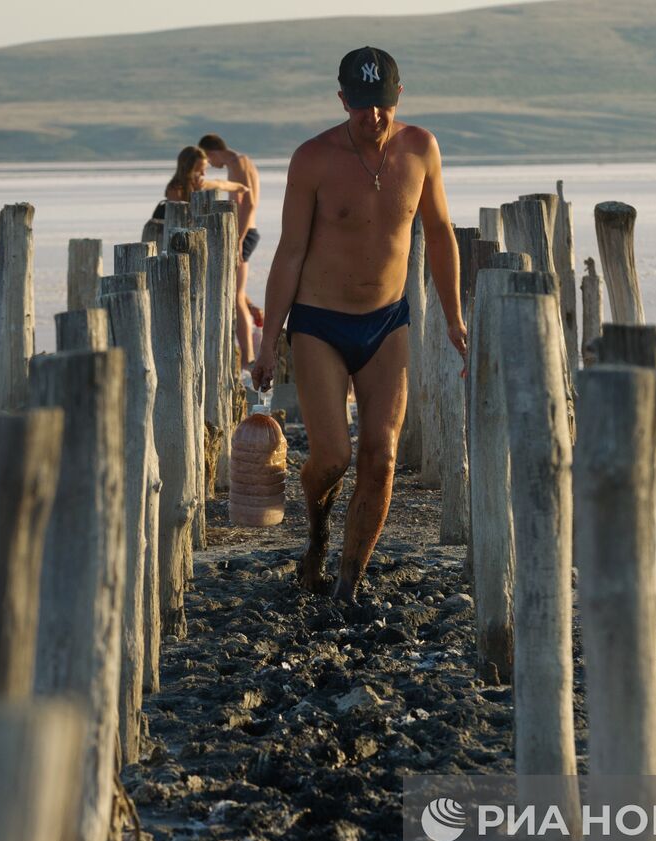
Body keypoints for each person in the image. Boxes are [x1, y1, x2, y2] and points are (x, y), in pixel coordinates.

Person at [252, 46, 466, 604]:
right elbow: (290, 251)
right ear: (342, 100)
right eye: (359, 106)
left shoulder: (421, 148)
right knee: (332, 458)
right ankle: (318, 531)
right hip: (320, 322)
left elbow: (440, 234)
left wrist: (454, 318)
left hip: (388, 320)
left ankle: (348, 582)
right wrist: (268, 340)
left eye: (380, 104)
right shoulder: (313, 159)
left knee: (382, 454)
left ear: (397, 94)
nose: (371, 117)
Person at [200, 134, 264, 367]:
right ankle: (253, 315)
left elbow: (249, 203)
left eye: (208, 161)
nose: (210, 166)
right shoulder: (239, 161)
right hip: (242, 233)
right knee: (236, 291)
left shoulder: (237, 163)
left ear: (211, 152)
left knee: (235, 297)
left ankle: (247, 357)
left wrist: (238, 237)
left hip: (243, 233)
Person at [162, 145, 250, 205]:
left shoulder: (201, 183)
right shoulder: (175, 189)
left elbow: (221, 184)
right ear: (187, 169)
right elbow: (181, 216)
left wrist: (241, 188)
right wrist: (197, 194)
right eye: (198, 170)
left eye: (204, 169)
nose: (203, 174)